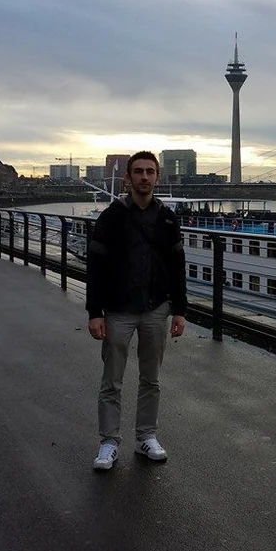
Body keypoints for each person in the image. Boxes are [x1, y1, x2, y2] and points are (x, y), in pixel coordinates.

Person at [86, 151, 187, 471]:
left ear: (157, 177)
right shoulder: (112, 217)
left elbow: (177, 266)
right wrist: (94, 311)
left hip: (156, 308)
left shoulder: (167, 219)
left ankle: (146, 436)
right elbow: (95, 266)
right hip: (119, 309)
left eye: (150, 172)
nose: (145, 177)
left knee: (151, 378)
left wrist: (180, 309)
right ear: (128, 177)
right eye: (139, 171)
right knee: (112, 380)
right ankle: (109, 441)